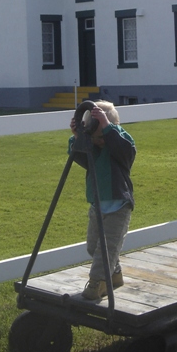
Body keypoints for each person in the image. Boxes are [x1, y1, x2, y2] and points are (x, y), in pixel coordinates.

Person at [69, 100, 136, 300]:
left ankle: (97, 283)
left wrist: (107, 128)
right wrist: (78, 136)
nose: (99, 141)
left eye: (102, 136)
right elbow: (80, 158)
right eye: (95, 137)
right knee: (93, 247)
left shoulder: (120, 145)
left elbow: (124, 148)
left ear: (112, 127)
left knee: (106, 250)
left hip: (119, 207)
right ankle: (115, 275)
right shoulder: (94, 148)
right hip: (97, 206)